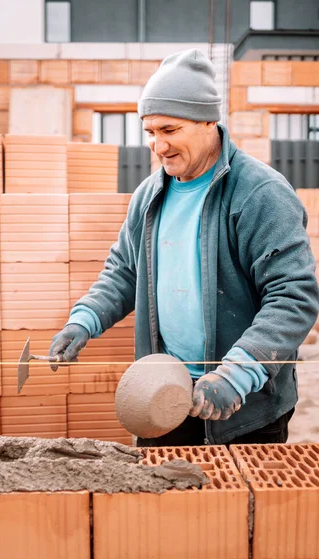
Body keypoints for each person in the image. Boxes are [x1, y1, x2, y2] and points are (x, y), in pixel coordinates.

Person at [49, 49, 319, 446]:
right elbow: (125, 269)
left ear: (209, 120)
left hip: (241, 406)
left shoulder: (260, 194)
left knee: (233, 508)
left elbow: (293, 298)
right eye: (150, 132)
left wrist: (238, 374)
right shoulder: (150, 195)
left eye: (170, 130)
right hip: (163, 394)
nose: (158, 146)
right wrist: (85, 319)